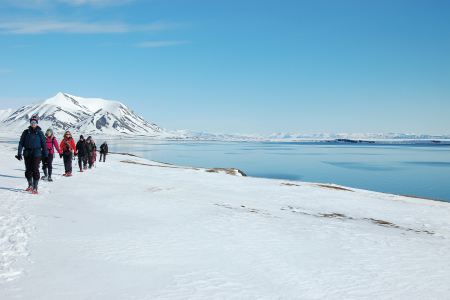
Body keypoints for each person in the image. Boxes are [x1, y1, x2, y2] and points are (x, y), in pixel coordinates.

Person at [16, 116, 48, 194]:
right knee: (28, 170)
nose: (33, 124)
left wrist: (46, 156)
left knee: (35, 169)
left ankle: (35, 187)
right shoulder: (26, 132)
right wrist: (19, 153)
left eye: (34, 122)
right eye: (32, 122)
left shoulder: (40, 133)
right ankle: (30, 184)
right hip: (27, 153)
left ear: (37, 123)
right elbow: (21, 143)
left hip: (37, 153)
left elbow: (44, 144)